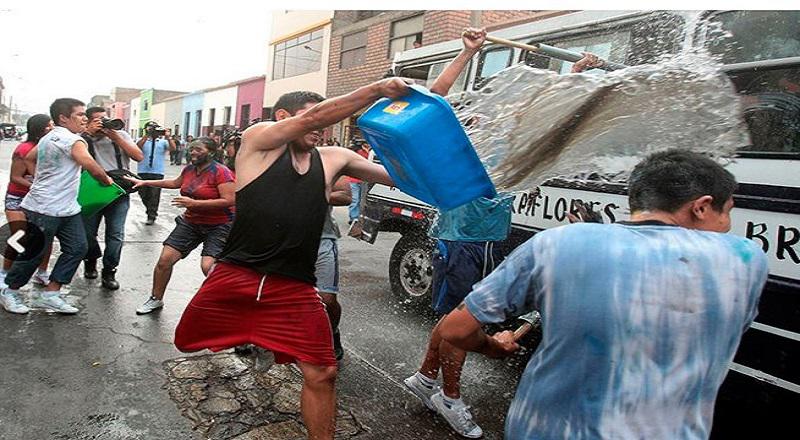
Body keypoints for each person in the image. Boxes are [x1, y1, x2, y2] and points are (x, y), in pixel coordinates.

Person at [439, 149, 769, 440]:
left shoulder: (558, 243)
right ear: (701, 207)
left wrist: (493, 346)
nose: (727, 225)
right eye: (727, 212)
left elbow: (456, 329)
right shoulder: (746, 260)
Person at [172, 78, 410, 440]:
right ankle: (262, 338)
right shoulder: (259, 142)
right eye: (312, 117)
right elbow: (312, 118)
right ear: (283, 117)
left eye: (325, 122)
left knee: (323, 372)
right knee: (185, 341)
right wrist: (376, 90)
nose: (321, 127)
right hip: (236, 276)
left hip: (294, 287)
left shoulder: (334, 159)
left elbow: (401, 178)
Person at [402, 28, 607, 438]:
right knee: (461, 324)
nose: (495, 115)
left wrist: (577, 70)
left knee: (450, 319)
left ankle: (426, 379)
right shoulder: (458, 144)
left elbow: (542, 114)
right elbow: (434, 98)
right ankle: (450, 396)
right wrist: (467, 53)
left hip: (477, 242)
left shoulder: (501, 142)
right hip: (462, 244)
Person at [0, 98, 112, 315]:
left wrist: (43, 177)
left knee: (78, 247)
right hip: (44, 207)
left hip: (67, 208)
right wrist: (107, 181)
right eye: (80, 114)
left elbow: (30, 158)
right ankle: (10, 291)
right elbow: (91, 166)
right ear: (63, 117)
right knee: (34, 254)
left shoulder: (47, 137)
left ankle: (51, 294)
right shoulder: (74, 141)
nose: (85, 119)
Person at [125, 137, 235, 315]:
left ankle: (223, 307)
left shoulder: (221, 172)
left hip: (218, 225)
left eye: (198, 150)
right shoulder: (190, 169)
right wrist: (145, 182)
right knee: (164, 261)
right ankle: (156, 299)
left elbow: (229, 200)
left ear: (212, 152)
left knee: (208, 266)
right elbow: (175, 183)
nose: (193, 152)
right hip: (191, 222)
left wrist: (194, 203)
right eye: (191, 149)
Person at [81, 107, 144, 290]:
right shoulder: (81, 137)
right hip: (92, 191)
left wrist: (115, 136)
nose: (104, 122)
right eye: (98, 120)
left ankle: (109, 271)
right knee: (87, 232)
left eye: (105, 118)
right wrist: (88, 133)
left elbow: (138, 156)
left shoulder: (120, 135)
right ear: (89, 121)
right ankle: (90, 259)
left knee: (115, 234)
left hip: (117, 190)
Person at [1, 114, 55, 288]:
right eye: (48, 126)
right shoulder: (24, 149)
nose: (52, 128)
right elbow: (15, 177)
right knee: (20, 236)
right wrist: (37, 187)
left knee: (46, 237)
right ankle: (4, 273)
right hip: (17, 199)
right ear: (38, 129)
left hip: (41, 200)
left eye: (52, 125)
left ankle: (42, 273)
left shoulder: (49, 147)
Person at [317, 177, 352, 361]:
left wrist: (310, 193)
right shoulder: (273, 160)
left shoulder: (327, 161)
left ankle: (332, 334)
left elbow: (346, 196)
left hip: (322, 239)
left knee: (327, 300)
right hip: (286, 241)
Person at [136, 122, 176, 225]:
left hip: (157, 172)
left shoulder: (162, 142)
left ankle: (151, 216)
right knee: (142, 193)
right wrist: (147, 135)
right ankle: (149, 209)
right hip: (142, 171)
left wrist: (168, 137)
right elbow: (137, 147)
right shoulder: (142, 140)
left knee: (154, 195)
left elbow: (173, 148)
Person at [346, 140, 371, 238]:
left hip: (363, 181)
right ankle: (353, 218)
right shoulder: (358, 152)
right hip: (354, 180)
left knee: (361, 201)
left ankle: (358, 218)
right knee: (355, 199)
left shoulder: (369, 152)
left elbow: (371, 161)